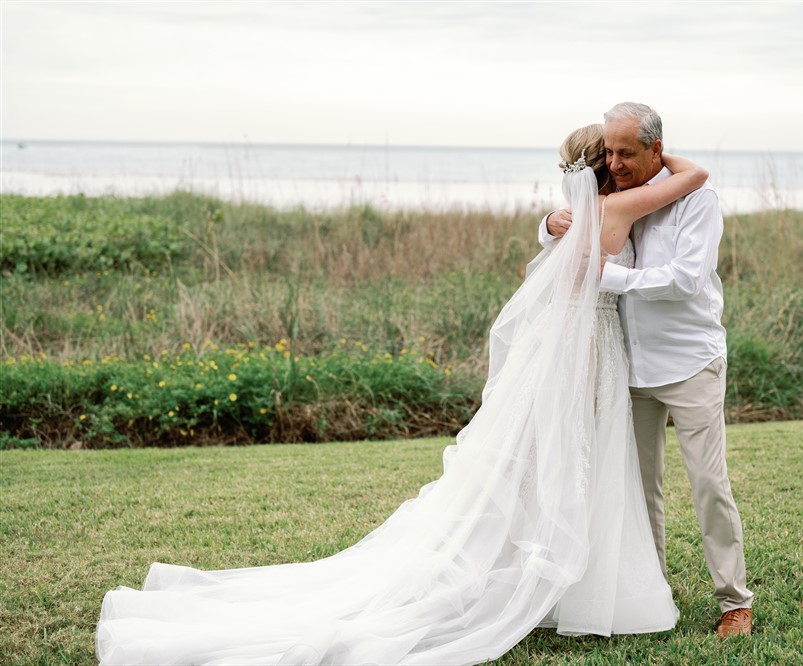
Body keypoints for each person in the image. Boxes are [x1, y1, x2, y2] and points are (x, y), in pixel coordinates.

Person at [94, 128, 708, 665]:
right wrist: (652, 149)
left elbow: (563, 235)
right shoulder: (620, 205)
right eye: (616, 154)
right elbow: (694, 174)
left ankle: (569, 578)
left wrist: (556, 217)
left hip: (564, 343)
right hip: (591, 344)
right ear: (607, 164)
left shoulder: (572, 211)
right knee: (585, 459)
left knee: (556, 459)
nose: (625, 162)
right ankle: (583, 585)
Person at [540, 102, 755, 638]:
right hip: (629, 368)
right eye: (607, 152)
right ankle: (652, 590)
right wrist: (549, 225)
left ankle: (735, 600)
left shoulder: (697, 199)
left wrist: (606, 277)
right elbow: (564, 230)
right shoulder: (612, 194)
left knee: (709, 484)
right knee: (640, 490)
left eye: (625, 152)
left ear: (656, 149)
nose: (613, 162)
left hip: (689, 362)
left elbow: (684, 279)